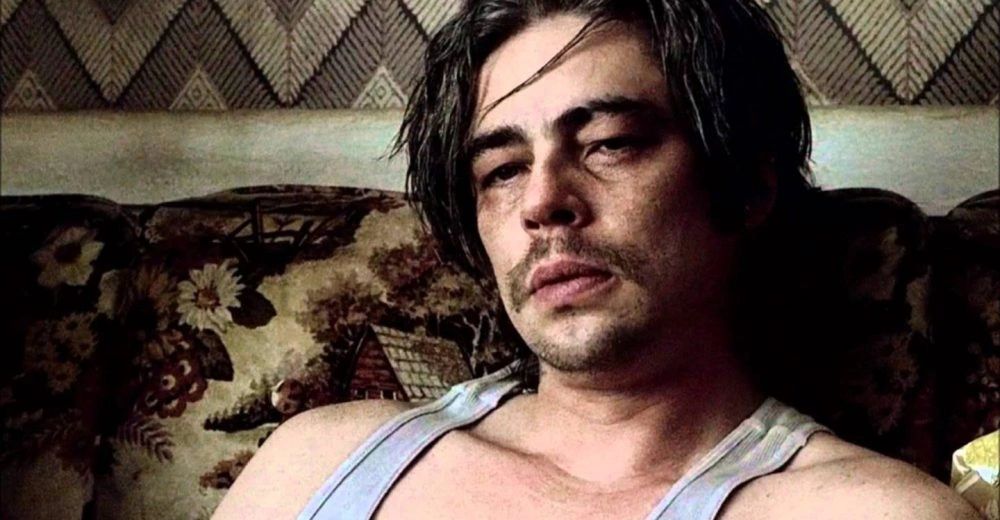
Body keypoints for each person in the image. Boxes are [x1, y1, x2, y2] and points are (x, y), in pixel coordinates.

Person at [214, 1, 981, 518]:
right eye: (502, 170)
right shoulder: (316, 461)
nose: (542, 201)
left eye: (610, 144)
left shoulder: (868, 510)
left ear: (747, 186)